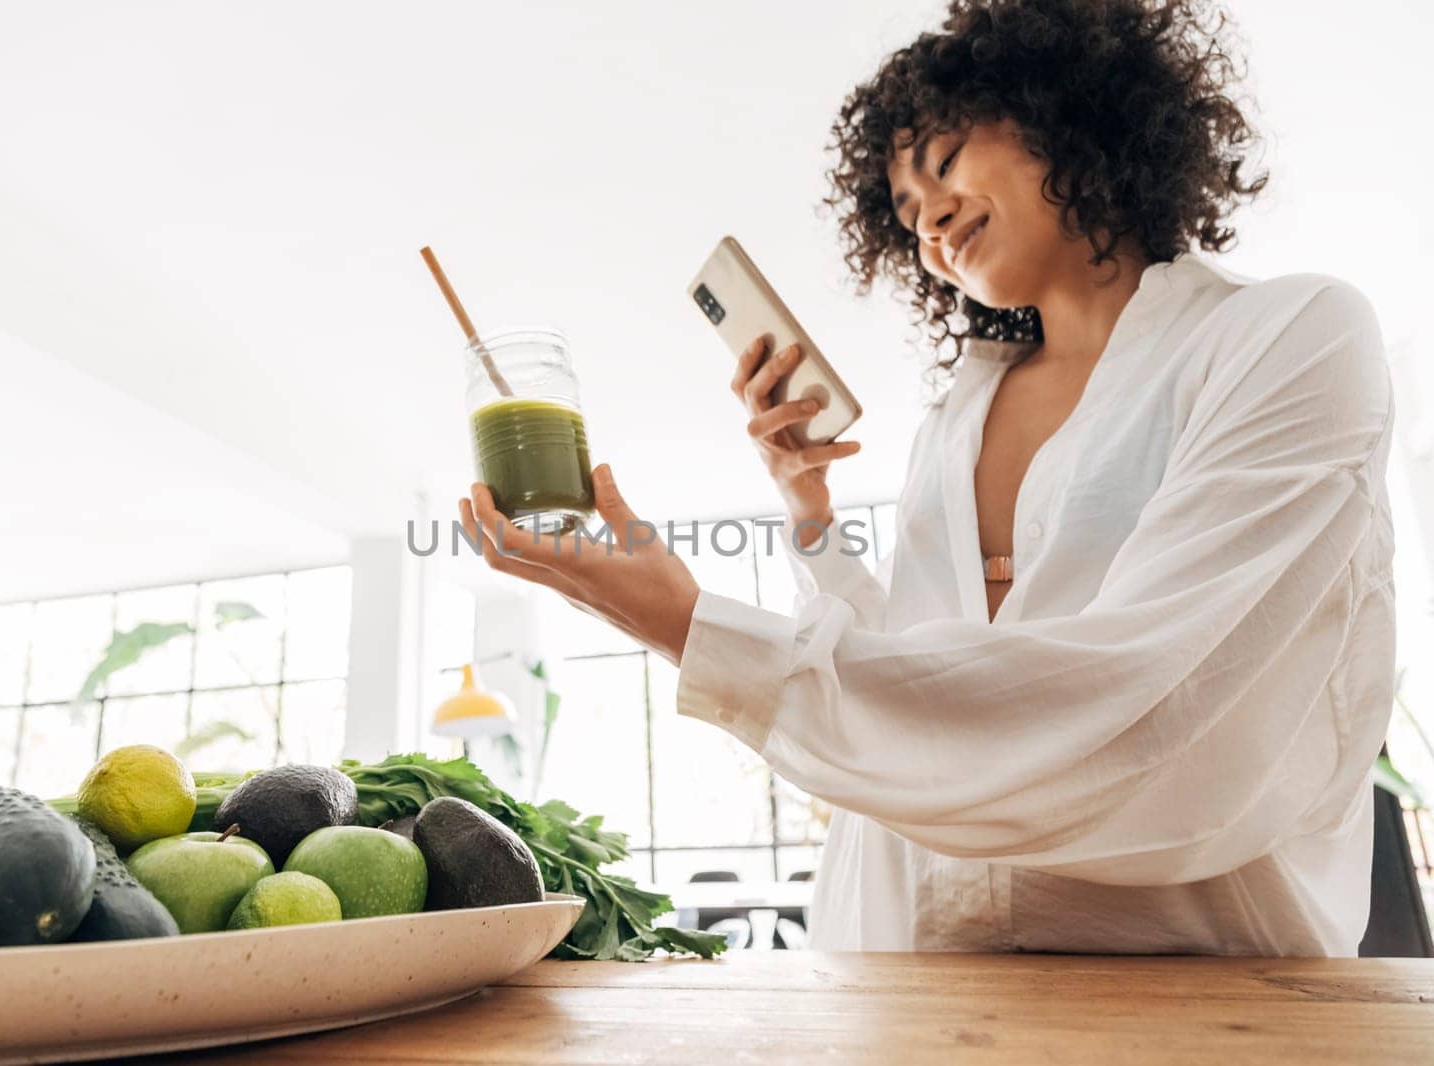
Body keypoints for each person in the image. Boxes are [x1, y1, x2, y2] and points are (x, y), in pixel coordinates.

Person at [456, 0, 1396, 956]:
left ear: (1068, 113)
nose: (932, 223)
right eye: (904, 214)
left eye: (944, 165)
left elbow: (1155, 708)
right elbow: (925, 672)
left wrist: (689, 627)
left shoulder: (1285, 337)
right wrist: (808, 514)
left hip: (1195, 996)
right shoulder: (956, 424)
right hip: (902, 969)